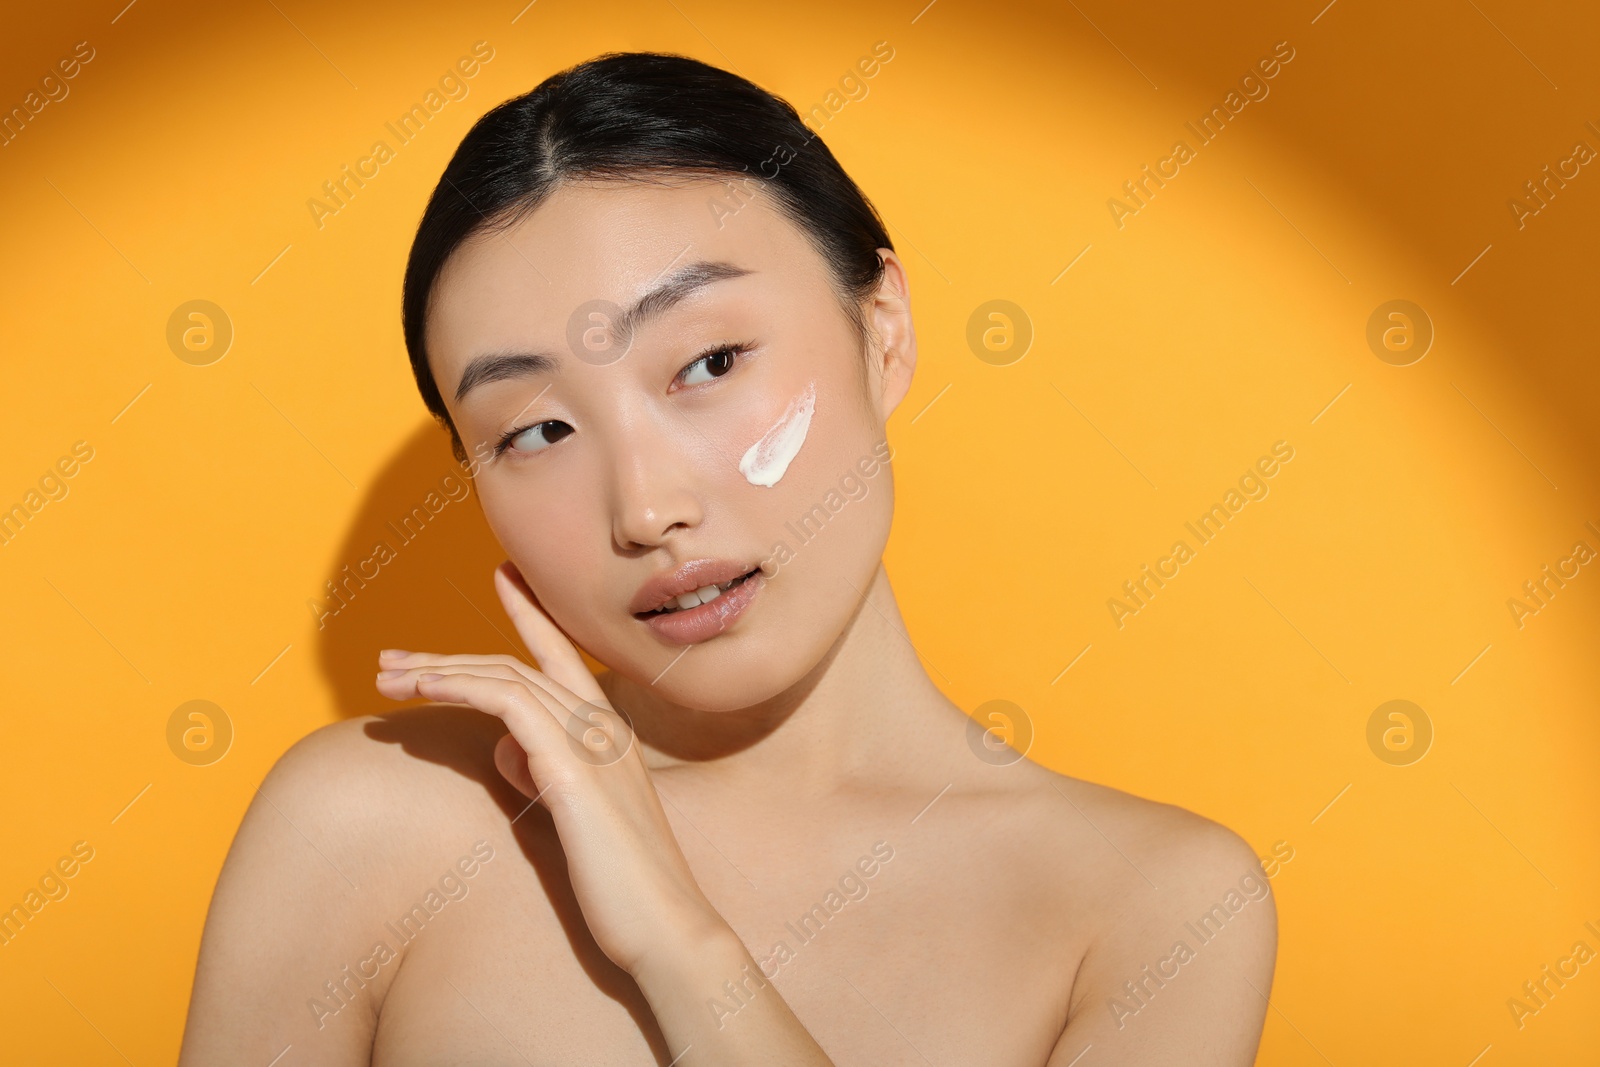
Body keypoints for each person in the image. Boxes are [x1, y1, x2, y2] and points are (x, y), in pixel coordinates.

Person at [179, 51, 1276, 1065]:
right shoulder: (371, 826)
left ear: (882, 328)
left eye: (707, 361)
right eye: (536, 432)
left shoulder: (1149, 907)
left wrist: (679, 939)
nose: (646, 508)